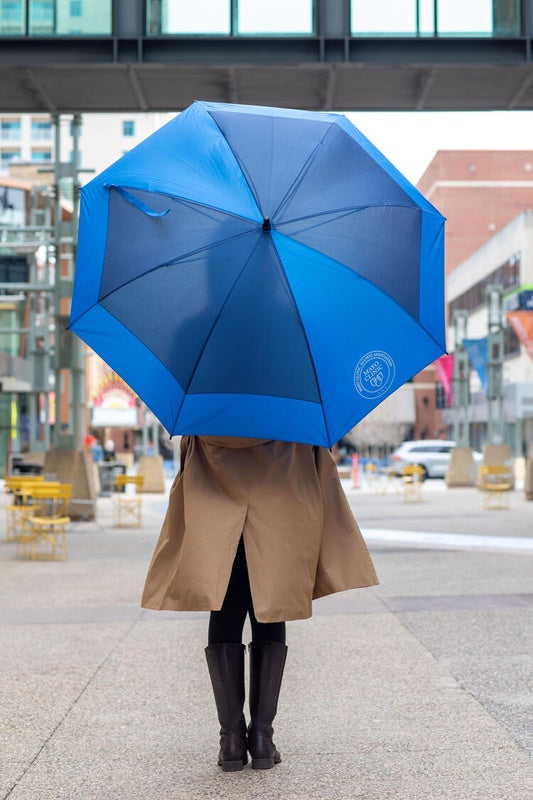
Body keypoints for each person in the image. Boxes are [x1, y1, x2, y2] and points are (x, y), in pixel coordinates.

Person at [142, 436, 378, 772]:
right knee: (271, 607)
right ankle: (263, 738)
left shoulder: (208, 409)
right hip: (279, 513)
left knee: (224, 611)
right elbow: (316, 468)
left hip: (217, 516)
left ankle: (231, 741)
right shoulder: (291, 410)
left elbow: (187, 471)